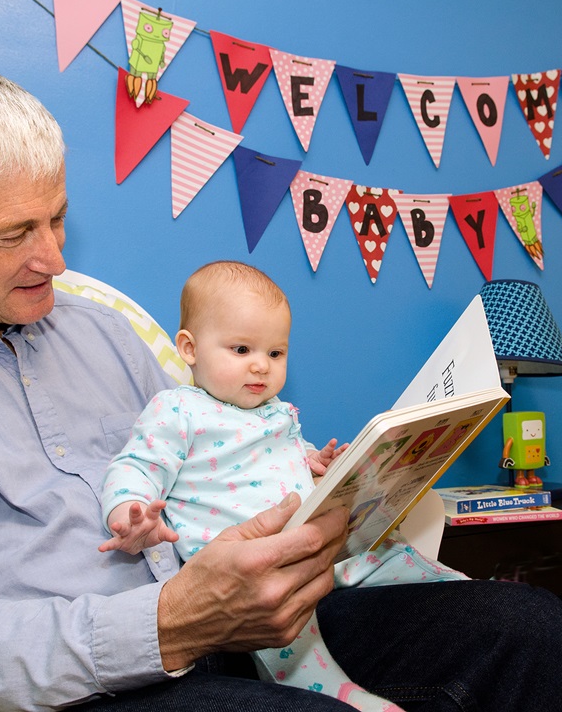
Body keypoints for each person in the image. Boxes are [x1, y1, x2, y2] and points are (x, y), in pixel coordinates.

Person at [0, 63, 562, 712]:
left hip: (236, 627)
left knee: (525, 626)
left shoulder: (103, 331)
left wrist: (325, 497)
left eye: (58, 219)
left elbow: (210, 462)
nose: (54, 258)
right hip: (83, 686)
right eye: (15, 235)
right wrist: (171, 623)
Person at [99, 261, 468, 712]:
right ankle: (338, 693)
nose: (261, 366)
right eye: (241, 349)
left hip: (317, 551)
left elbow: (286, 456)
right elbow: (135, 464)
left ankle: (458, 590)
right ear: (189, 348)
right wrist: (128, 511)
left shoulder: (275, 411)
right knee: (293, 637)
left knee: (389, 555)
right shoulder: (178, 410)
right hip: (251, 574)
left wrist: (321, 466)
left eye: (276, 354)